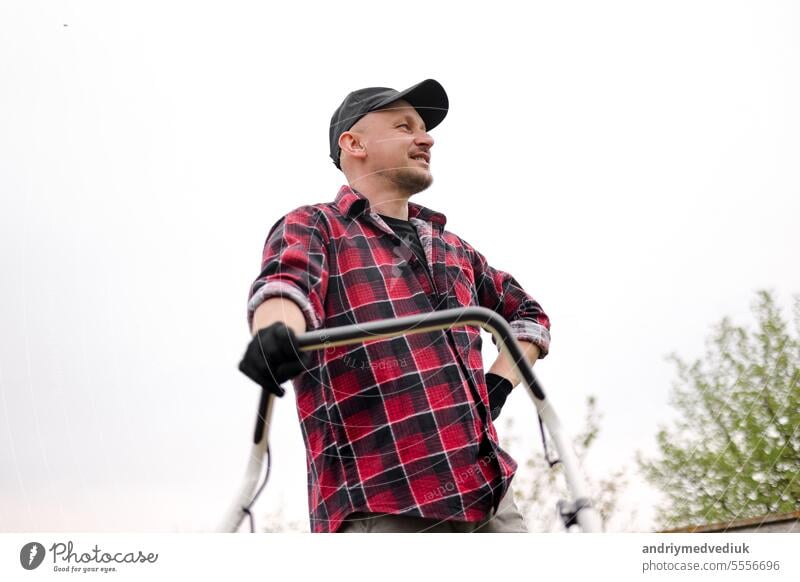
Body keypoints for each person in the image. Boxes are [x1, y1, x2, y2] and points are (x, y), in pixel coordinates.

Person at [238, 79, 551, 533]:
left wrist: (497, 385)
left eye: (424, 130)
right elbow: (285, 288)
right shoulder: (315, 226)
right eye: (405, 127)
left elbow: (529, 316)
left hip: (490, 499)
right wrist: (276, 333)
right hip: (378, 499)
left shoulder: (454, 249)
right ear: (354, 142)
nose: (425, 139)